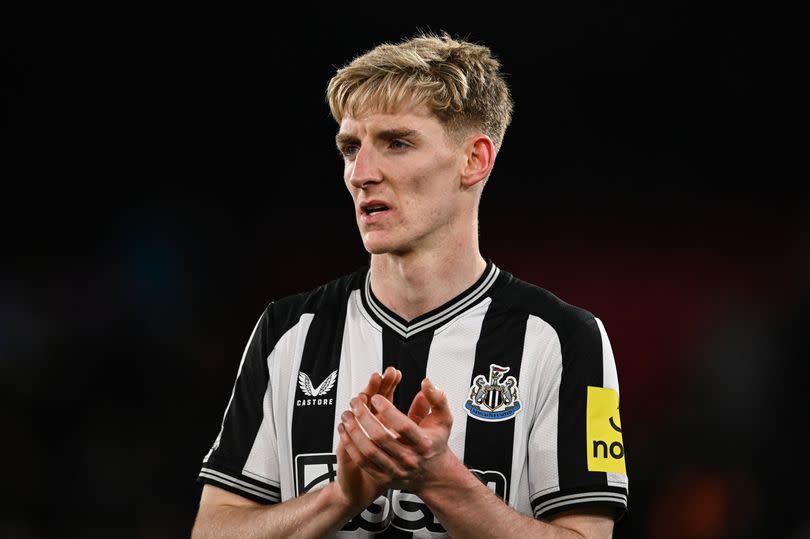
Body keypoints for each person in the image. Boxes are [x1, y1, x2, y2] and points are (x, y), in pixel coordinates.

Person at [191, 31, 629, 538]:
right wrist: (341, 496)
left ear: (475, 160)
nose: (361, 173)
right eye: (351, 147)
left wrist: (439, 479)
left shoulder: (564, 339)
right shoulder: (289, 331)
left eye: (396, 143)